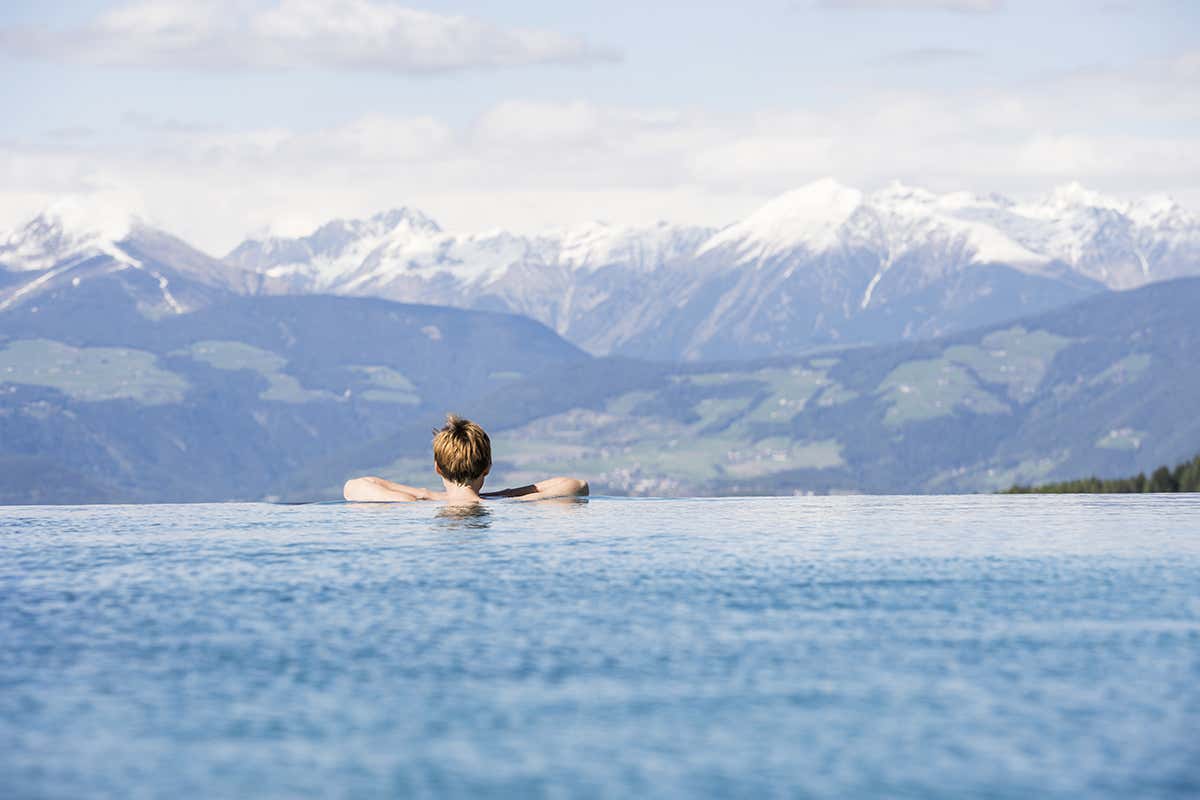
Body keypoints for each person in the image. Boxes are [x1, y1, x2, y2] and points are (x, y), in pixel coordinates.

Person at [343, 414, 588, 503]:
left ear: (437, 468)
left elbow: (353, 487)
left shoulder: (415, 503)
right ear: (488, 467)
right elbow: (578, 486)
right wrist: (507, 495)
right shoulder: (508, 504)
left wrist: (422, 496)